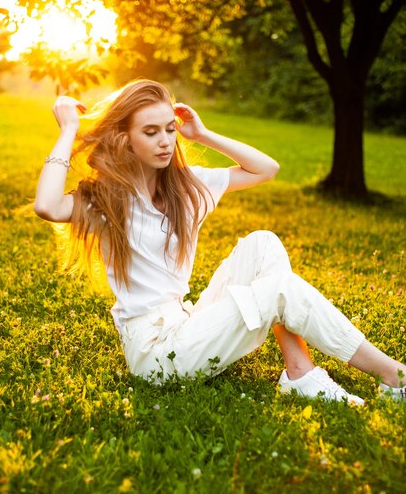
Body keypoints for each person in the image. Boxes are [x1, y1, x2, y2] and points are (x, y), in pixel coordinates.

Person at [34, 79, 406, 405]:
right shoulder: (107, 201)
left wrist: (202, 135)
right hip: (155, 355)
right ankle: (394, 376)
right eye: (151, 132)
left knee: (263, 244)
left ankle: (299, 372)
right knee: (277, 291)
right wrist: (68, 129)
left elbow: (266, 169)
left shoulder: (185, 187)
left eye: (169, 129)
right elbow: (48, 205)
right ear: (124, 139)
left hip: (185, 323)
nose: (165, 141)